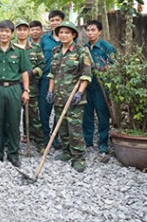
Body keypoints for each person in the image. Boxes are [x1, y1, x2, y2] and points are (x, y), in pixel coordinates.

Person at [0, 20, 31, 167]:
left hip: (13, 89)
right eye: (1, 31)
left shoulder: (19, 50)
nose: (4, 34)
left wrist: (26, 91)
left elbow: (24, 72)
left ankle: (13, 154)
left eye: (7, 31)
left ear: (11, 33)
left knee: (14, 122)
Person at [47, 21, 92, 172]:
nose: (63, 35)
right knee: (62, 127)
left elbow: (86, 75)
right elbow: (52, 73)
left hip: (74, 98)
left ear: (73, 34)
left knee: (74, 128)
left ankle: (78, 157)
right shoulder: (55, 51)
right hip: (59, 96)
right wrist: (50, 91)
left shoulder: (81, 51)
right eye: (61, 32)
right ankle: (66, 152)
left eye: (67, 32)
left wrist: (80, 92)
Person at [83, 19, 116, 160]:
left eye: (93, 30)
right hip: (87, 87)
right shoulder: (84, 48)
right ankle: (87, 141)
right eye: (88, 30)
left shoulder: (106, 48)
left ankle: (103, 143)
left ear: (100, 32)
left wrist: (102, 68)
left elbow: (115, 66)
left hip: (101, 87)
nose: (90, 33)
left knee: (103, 116)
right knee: (87, 115)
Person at [15, 21, 46, 152]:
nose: (22, 32)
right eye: (19, 29)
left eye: (24, 29)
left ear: (28, 32)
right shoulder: (11, 47)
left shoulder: (35, 48)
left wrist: (33, 72)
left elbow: (42, 65)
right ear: (15, 32)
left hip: (31, 87)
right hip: (14, 87)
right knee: (13, 116)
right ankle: (13, 144)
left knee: (33, 116)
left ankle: (40, 142)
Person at [39, 10, 64, 149]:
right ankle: (45, 136)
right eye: (52, 20)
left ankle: (56, 137)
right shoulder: (44, 40)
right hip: (46, 79)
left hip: (63, 81)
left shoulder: (69, 38)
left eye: (57, 20)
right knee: (44, 109)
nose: (54, 23)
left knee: (59, 109)